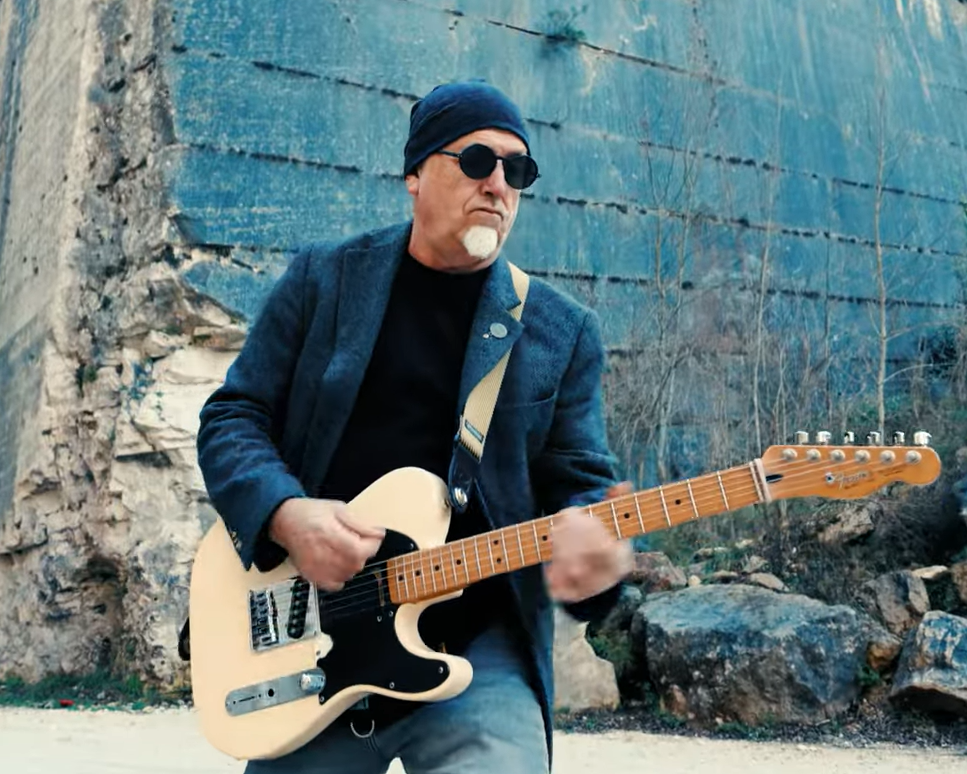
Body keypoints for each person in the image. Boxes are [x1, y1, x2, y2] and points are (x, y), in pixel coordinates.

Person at [195, 79, 633, 774]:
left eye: (517, 170)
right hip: (315, 639)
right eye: (477, 160)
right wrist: (285, 514)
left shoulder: (562, 331)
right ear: (415, 174)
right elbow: (232, 415)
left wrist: (598, 557)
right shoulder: (324, 281)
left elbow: (580, 488)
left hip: (476, 649)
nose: (498, 185)